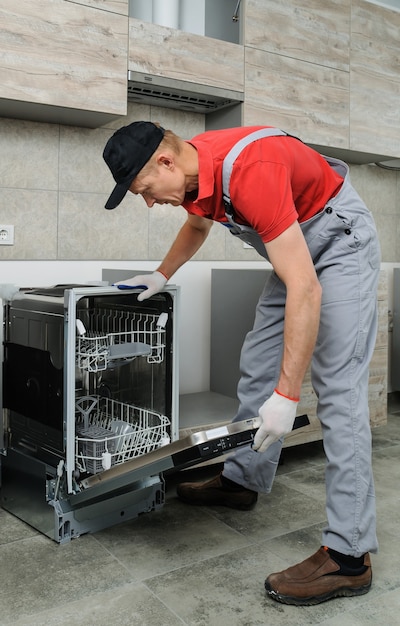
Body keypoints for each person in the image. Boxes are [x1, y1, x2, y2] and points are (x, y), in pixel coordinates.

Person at [103, 120, 381, 606]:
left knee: (338, 392)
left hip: (339, 242)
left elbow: (306, 288)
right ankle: (241, 480)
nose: (148, 203)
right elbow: (197, 223)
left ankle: (349, 556)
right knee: (257, 360)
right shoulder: (193, 173)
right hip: (294, 246)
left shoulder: (250, 171)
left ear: (166, 161)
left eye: (145, 190)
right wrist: (160, 273)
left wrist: (288, 395)